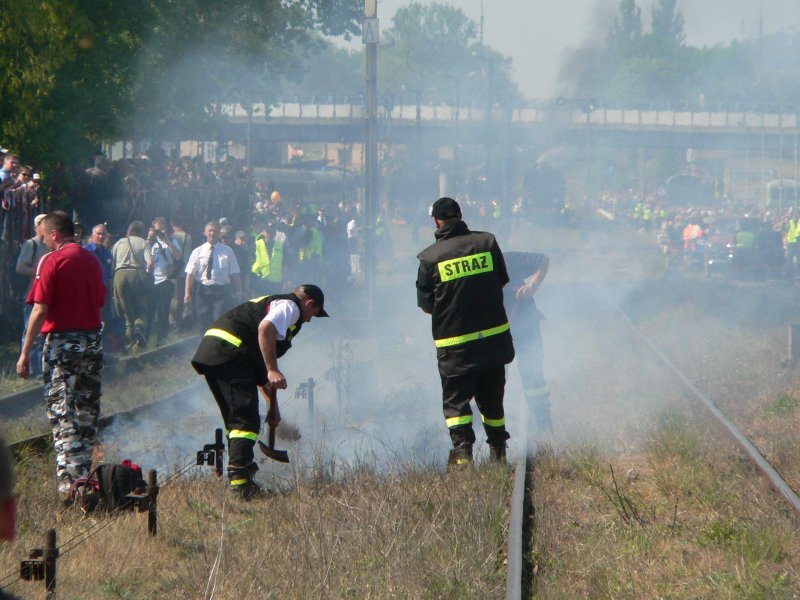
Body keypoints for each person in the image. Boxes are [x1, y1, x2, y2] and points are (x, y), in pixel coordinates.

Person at [191, 284, 329, 499]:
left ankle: (240, 473)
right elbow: (265, 329)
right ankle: (241, 485)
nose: (310, 320)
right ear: (310, 304)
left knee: (236, 420)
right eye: (314, 313)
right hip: (230, 352)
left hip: (220, 352)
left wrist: (273, 409)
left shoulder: (278, 305)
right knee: (245, 420)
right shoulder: (290, 307)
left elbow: (261, 373)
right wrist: (273, 369)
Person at [416, 197, 515, 467]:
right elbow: (502, 281)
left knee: (457, 406)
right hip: (493, 341)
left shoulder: (429, 258)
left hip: (455, 347)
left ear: (436, 221)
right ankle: (498, 453)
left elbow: (426, 306)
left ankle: (462, 459)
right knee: (492, 400)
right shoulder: (488, 243)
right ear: (460, 215)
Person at [16, 212, 106, 504]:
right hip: (92, 342)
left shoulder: (52, 260)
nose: (43, 240)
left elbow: (40, 309)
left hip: (62, 344)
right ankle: (85, 478)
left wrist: (25, 351)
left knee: (63, 412)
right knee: (86, 413)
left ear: (54, 234)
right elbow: (101, 299)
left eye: (43, 235)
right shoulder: (92, 259)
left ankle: (71, 490)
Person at [504, 251, 551, 434]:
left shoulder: (507, 259)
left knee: (533, 375)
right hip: (498, 330)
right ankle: (496, 430)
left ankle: (543, 423)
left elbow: (543, 260)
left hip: (526, 327)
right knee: (497, 379)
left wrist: (532, 286)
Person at [184, 221, 241, 333]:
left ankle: (217, 345)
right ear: (205, 232)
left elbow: (235, 273)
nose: (212, 233)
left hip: (221, 290)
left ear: (218, 233)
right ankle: (204, 344)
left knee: (218, 320)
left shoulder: (227, 251)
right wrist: (187, 292)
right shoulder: (198, 251)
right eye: (210, 230)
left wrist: (239, 290)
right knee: (202, 319)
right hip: (203, 290)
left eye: (215, 231)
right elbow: (190, 274)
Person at [15, 213, 49, 376]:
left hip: (45, 296)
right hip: (31, 295)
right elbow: (20, 268)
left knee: (42, 334)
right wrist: (40, 274)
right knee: (30, 331)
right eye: (44, 224)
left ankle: (40, 368)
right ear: (37, 228)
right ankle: (27, 368)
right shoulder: (31, 244)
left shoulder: (49, 245)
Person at [111, 221, 153, 349]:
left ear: (129, 230)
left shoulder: (119, 243)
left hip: (119, 275)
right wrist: (149, 276)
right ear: (141, 232)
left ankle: (130, 344)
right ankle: (139, 327)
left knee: (126, 311)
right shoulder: (143, 242)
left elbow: (112, 262)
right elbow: (150, 263)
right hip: (136, 274)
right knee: (141, 307)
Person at [146, 217, 180, 345]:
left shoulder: (171, 241)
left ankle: (161, 338)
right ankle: (149, 337)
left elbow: (178, 256)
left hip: (166, 279)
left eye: (162, 229)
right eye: (157, 229)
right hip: (152, 280)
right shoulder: (150, 243)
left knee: (163, 310)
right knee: (151, 310)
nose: (159, 232)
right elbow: (141, 255)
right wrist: (149, 238)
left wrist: (167, 241)